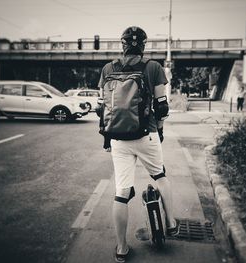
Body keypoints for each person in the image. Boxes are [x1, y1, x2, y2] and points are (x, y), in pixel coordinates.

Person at [97, 26, 179, 263]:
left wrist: (107, 138)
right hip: (146, 134)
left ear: (122, 44)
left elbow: (102, 108)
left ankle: (122, 249)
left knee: (121, 193)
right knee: (160, 176)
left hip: (119, 138)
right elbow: (162, 106)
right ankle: (171, 222)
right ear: (143, 45)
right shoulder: (153, 67)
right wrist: (160, 130)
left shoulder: (108, 68)